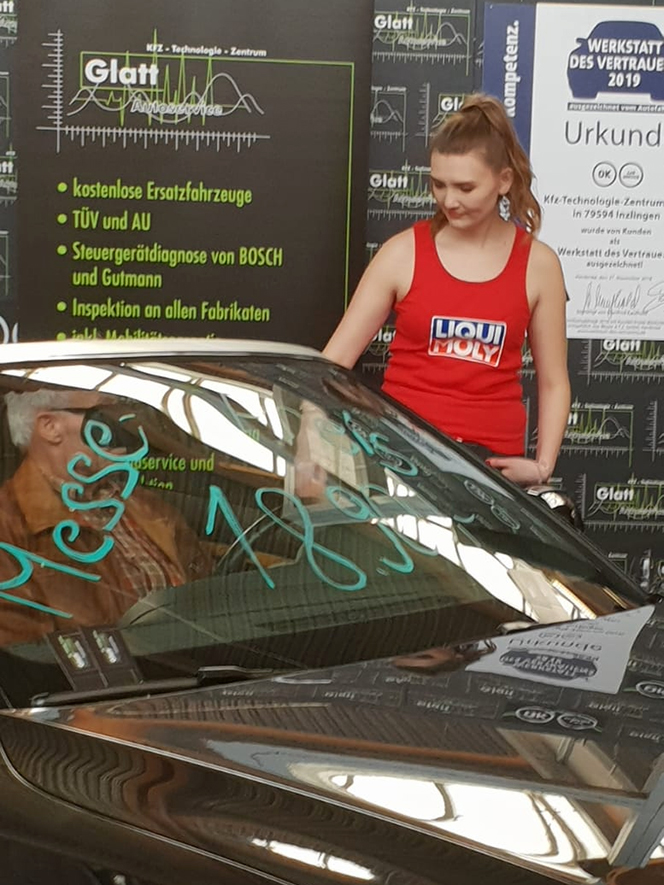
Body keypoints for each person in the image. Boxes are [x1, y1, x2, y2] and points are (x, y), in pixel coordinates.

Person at [323, 93, 571, 487]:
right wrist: (313, 439)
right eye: (438, 184)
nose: (449, 201)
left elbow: (554, 381)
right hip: (402, 460)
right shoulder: (402, 253)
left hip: (492, 470)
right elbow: (333, 362)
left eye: (465, 188)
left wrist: (542, 467)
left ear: (504, 181)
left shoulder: (539, 265)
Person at [0, 388, 213, 646]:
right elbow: (32, 654)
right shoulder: (10, 527)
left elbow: (209, 592)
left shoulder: (142, 502)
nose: (126, 425)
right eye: (104, 415)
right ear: (50, 427)